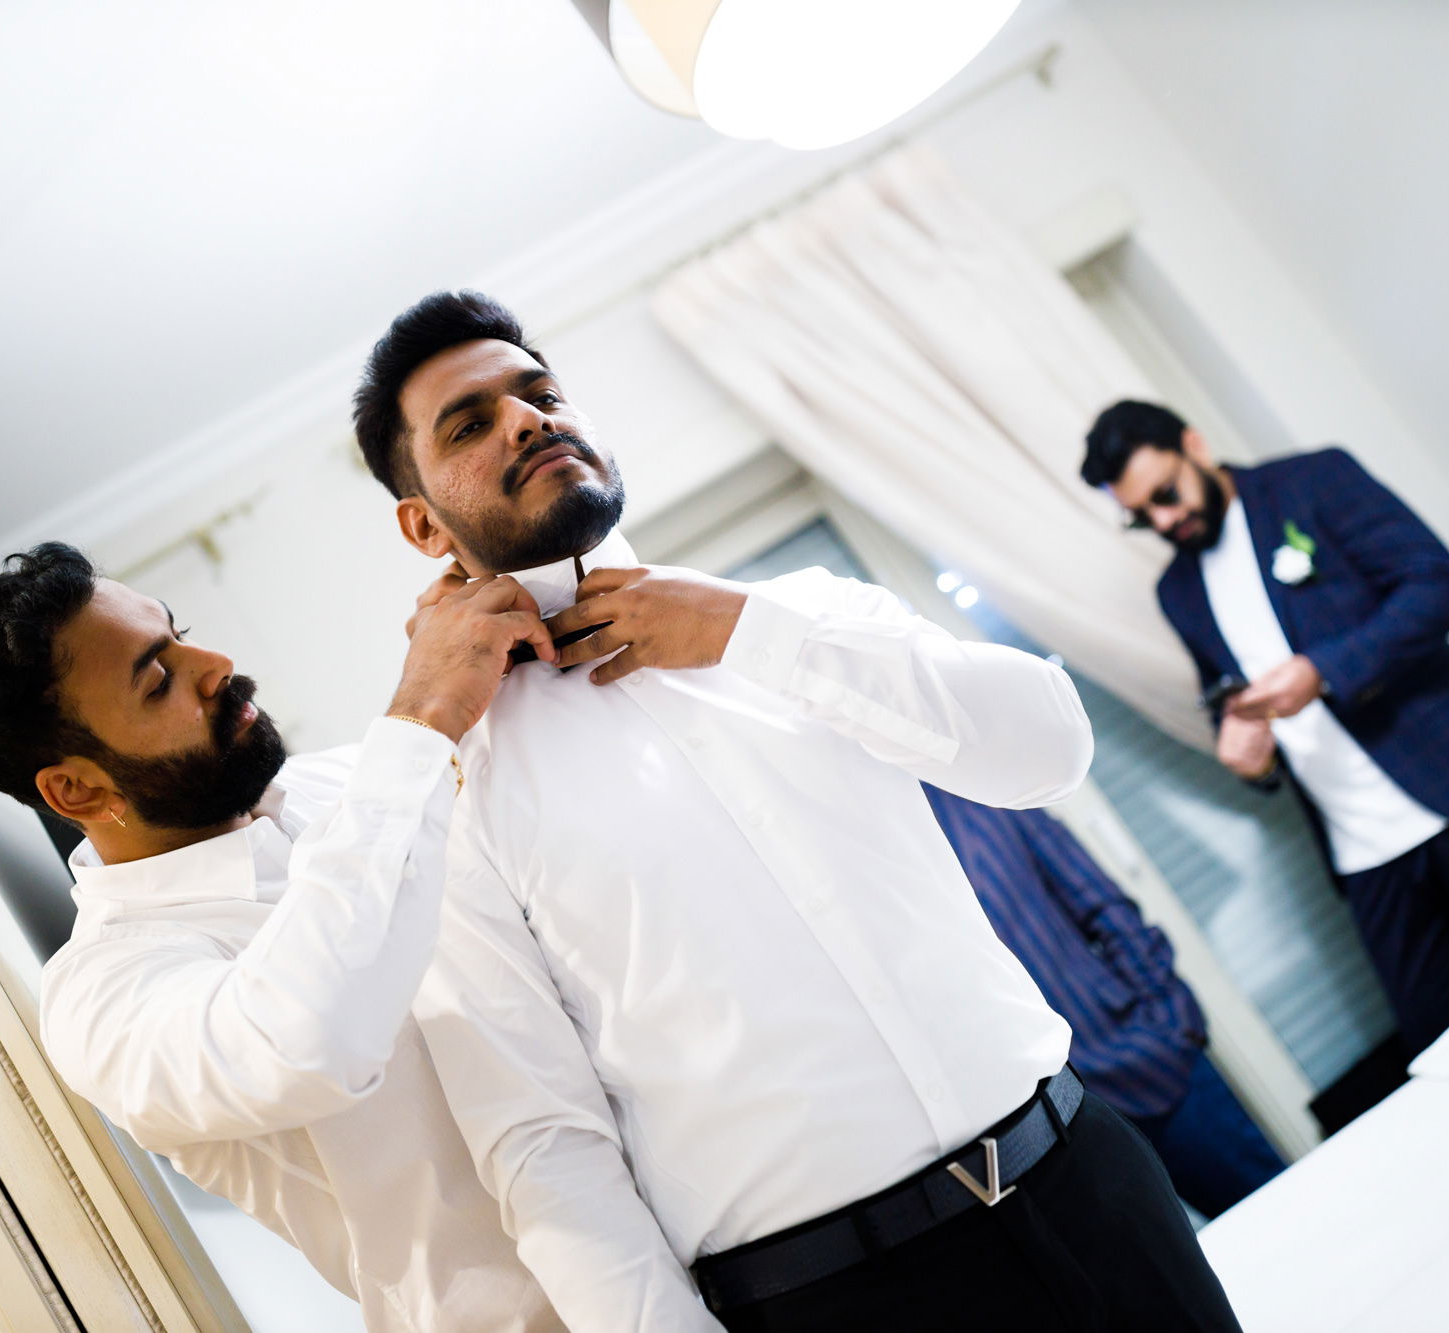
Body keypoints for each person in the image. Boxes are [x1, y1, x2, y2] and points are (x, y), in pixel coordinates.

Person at [353, 291, 1243, 1332]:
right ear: (421, 523)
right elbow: (545, 1142)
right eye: (470, 421)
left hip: (1090, 1189)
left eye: (540, 392)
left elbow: (1047, 747)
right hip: (838, 1299)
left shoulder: (807, 612)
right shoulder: (458, 796)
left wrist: (750, 631)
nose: (526, 418)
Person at [0, 543, 562, 1332]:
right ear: (76, 786)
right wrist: (419, 722)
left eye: (181, 633)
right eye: (157, 677)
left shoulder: (348, 782)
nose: (214, 662)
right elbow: (313, 1039)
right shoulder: (102, 998)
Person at [1079, 401, 1449, 1058]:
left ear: (1195, 445)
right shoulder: (1176, 591)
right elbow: (1229, 699)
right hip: (1363, 850)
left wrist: (1323, 670)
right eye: (1142, 515)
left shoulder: (1312, 481)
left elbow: (1439, 583)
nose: (1164, 519)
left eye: (1166, 494)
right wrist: (1247, 754)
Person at [920, 784, 1284, 1218]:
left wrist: (1168, 1019)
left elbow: (1100, 902)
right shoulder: (869, 869)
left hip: (1142, 1059)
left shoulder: (973, 788)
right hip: (1042, 1135)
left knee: (1282, 1212)